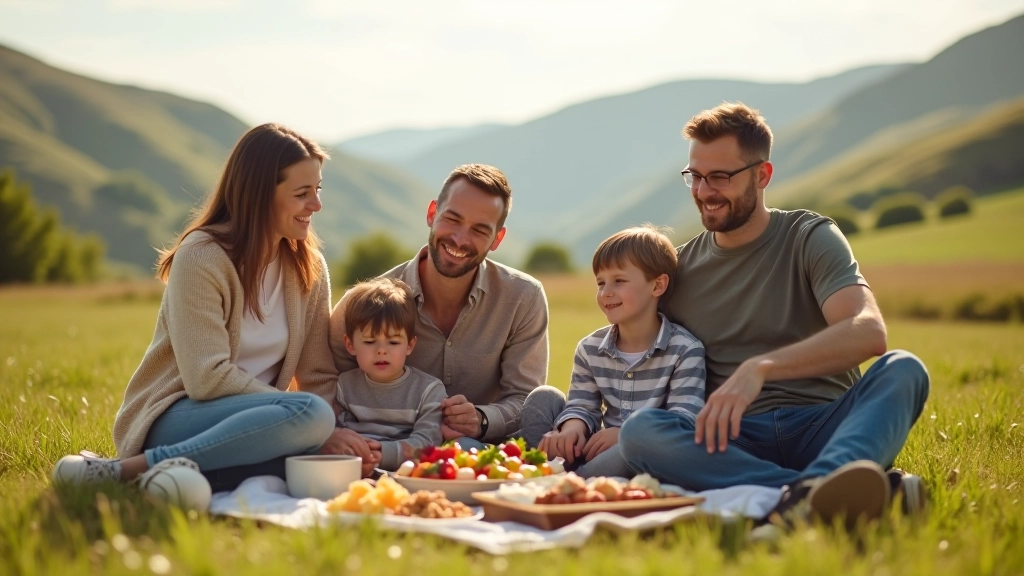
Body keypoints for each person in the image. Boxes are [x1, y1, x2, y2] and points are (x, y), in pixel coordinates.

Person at [618, 103, 930, 526]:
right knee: (641, 431)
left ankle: (795, 492)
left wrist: (761, 368)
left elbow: (868, 332)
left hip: (828, 427)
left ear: (762, 175)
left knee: (904, 369)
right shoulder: (678, 269)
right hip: (732, 440)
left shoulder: (809, 236)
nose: (704, 191)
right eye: (696, 176)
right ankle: (816, 494)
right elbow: (645, 359)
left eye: (721, 177)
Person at [52, 123, 341, 496]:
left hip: (263, 422)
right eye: (302, 193)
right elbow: (207, 379)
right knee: (313, 417)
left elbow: (317, 374)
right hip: (179, 414)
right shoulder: (202, 257)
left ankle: (182, 478)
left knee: (323, 440)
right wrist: (308, 419)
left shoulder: (309, 269)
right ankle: (129, 469)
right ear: (258, 195)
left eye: (317, 190)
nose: (316, 205)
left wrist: (333, 435)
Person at [330, 164, 556, 449]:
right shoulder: (364, 303)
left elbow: (526, 398)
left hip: (485, 455)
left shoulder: (524, 297)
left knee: (550, 401)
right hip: (386, 453)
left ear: (497, 239)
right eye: (452, 219)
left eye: (479, 230)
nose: (460, 239)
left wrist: (482, 419)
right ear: (431, 213)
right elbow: (326, 380)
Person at [531, 225, 706, 478]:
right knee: (543, 398)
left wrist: (626, 436)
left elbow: (683, 422)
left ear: (657, 286)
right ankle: (545, 469)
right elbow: (582, 405)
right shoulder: (590, 349)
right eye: (601, 283)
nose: (606, 292)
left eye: (619, 281)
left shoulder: (685, 350)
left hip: (642, 460)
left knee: (629, 451)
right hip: (594, 454)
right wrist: (571, 428)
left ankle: (567, 483)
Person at [334, 277, 447, 472]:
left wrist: (384, 454)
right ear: (350, 345)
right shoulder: (344, 385)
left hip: (405, 472)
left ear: (410, 345)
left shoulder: (428, 390)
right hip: (353, 468)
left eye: (393, 343)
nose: (381, 351)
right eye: (370, 342)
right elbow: (335, 433)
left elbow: (428, 441)